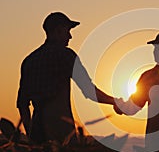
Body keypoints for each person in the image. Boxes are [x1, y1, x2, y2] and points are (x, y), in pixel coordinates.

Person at [17, 12, 119, 144]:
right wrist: (116, 102)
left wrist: (31, 135)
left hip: (38, 131)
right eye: (67, 31)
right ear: (58, 30)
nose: (70, 36)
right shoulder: (66, 55)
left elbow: (22, 104)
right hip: (62, 131)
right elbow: (89, 91)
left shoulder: (29, 61)